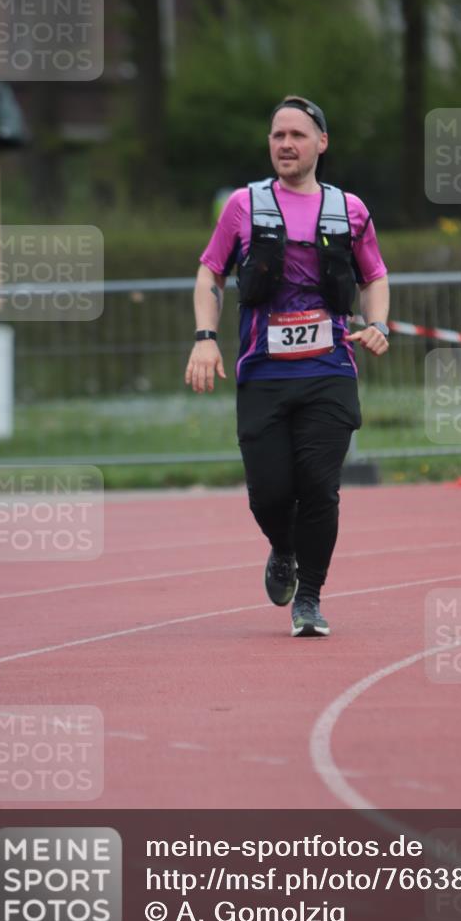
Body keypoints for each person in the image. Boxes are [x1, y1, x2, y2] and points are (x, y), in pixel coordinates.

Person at [185, 96, 389, 638]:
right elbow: (210, 274)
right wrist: (205, 338)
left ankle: (311, 599)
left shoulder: (350, 210)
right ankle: (282, 548)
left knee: (320, 489)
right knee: (270, 493)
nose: (286, 144)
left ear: (322, 143)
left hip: (329, 370)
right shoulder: (243, 206)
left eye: (298, 135)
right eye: (278, 135)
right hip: (263, 374)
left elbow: (374, 277)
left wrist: (379, 324)